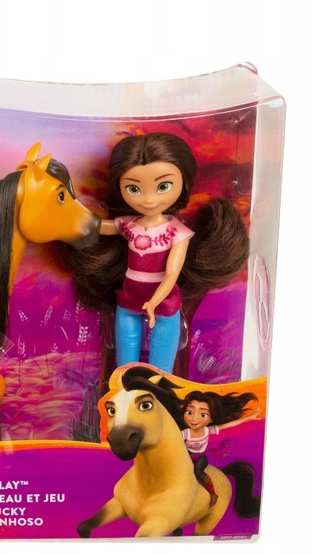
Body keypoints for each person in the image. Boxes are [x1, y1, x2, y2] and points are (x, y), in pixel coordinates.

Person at [61, 132, 249, 374]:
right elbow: (101, 227)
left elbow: (171, 274)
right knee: (125, 367)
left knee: (161, 371)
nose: (149, 199)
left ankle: (160, 386)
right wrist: (70, 217)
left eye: (163, 187)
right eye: (134, 188)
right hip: (129, 299)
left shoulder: (177, 232)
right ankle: (125, 386)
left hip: (165, 302)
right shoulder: (129, 225)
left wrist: (155, 301)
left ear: (183, 183)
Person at [182, 389, 260, 505]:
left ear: (211, 419)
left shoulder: (207, 430)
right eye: (189, 412)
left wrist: (247, 418)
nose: (193, 419)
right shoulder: (185, 433)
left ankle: (213, 494)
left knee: (198, 472)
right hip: (187, 456)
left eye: (203, 415)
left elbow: (227, 425)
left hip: (199, 458)